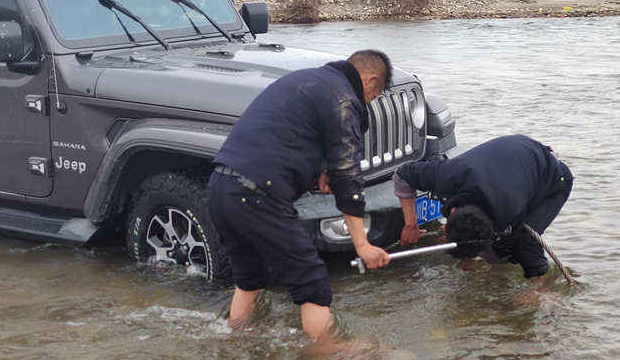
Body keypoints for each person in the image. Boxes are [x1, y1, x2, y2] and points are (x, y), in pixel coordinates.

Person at [207, 50, 392, 341]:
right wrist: (362, 244)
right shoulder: (344, 99)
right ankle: (330, 357)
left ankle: (236, 339)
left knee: (249, 277)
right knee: (312, 282)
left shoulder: (305, 80)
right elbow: (347, 174)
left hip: (221, 186)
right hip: (258, 195)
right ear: (369, 81)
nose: (368, 102)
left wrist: (317, 171)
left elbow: (285, 136)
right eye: (375, 96)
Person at [393, 134, 573, 279]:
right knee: (479, 243)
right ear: (453, 212)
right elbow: (402, 175)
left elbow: (530, 249)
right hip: (508, 159)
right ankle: (468, 257)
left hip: (554, 179)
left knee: (510, 248)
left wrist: (536, 290)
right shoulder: (447, 174)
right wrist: (411, 224)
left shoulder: (509, 213)